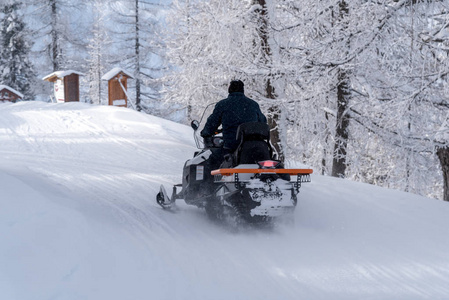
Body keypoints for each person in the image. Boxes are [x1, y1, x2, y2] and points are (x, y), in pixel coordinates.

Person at [200, 80, 267, 155]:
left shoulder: (223, 104)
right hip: (253, 145)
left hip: (231, 145)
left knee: (212, 160)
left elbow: (212, 123)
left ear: (229, 89)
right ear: (242, 90)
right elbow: (263, 122)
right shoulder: (253, 104)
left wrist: (205, 133)